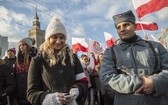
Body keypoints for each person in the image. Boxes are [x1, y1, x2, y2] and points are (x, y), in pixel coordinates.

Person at [100, 10, 168, 105]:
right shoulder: (110, 52)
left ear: (135, 26)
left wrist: (154, 83)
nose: (122, 29)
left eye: (126, 25)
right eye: (118, 27)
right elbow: (106, 78)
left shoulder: (156, 46)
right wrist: (141, 82)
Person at [27, 16, 88, 105]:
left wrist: (77, 90)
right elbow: (31, 93)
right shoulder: (37, 61)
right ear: (48, 39)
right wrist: (50, 99)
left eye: (61, 37)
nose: (58, 41)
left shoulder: (73, 58)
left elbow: (83, 82)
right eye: (54, 37)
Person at [14, 37, 36, 105]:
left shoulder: (34, 58)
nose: (21, 47)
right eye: (20, 45)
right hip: (19, 96)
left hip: (31, 96)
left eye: (23, 45)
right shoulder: (17, 61)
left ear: (28, 46)